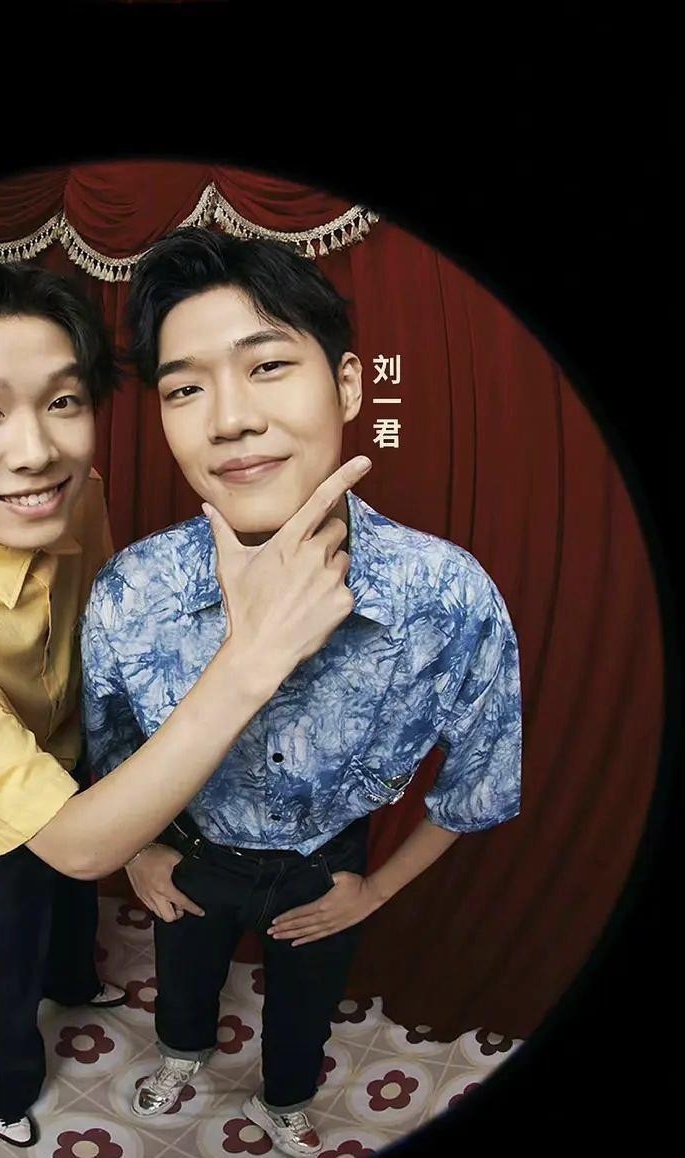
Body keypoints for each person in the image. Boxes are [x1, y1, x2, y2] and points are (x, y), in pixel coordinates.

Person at [0, 257, 372, 1147]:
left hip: (82, 744)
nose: (36, 452)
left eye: (63, 401)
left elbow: (105, 626)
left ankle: (75, 980)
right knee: (4, 933)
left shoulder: (74, 494)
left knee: (71, 916)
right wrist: (251, 658)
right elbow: (75, 841)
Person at [81, 228, 522, 1158]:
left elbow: (480, 780)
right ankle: (183, 1059)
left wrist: (375, 890)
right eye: (185, 389)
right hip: (195, 851)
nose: (229, 420)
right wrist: (143, 853)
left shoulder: (448, 595)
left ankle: (286, 1105)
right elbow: (107, 740)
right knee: (183, 988)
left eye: (269, 366)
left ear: (349, 386)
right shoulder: (132, 591)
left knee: (303, 1015)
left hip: (327, 864)